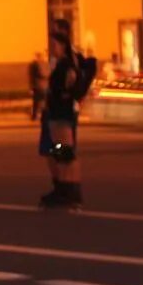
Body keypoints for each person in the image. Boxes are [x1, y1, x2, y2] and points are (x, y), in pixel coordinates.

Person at [38, 22, 95, 210]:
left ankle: (70, 191)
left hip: (62, 113)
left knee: (66, 153)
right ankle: (64, 189)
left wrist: (70, 94)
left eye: (54, 44)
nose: (51, 48)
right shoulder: (64, 64)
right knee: (60, 152)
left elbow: (69, 85)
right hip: (57, 113)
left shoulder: (67, 64)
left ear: (62, 45)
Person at [25, 53, 47, 122]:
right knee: (40, 100)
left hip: (35, 86)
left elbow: (32, 76)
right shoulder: (35, 65)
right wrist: (45, 77)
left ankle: (34, 115)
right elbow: (38, 75)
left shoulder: (32, 65)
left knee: (37, 101)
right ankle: (35, 115)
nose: (41, 59)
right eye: (40, 57)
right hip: (36, 86)